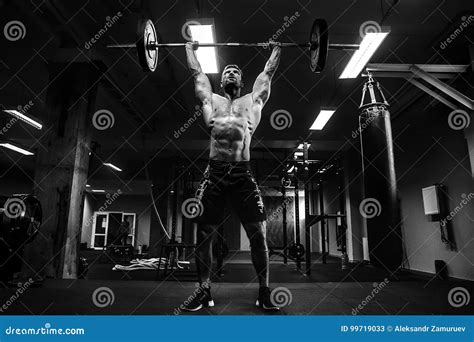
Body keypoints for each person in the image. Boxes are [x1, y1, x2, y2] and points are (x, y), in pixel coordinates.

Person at [182, 41, 281, 311]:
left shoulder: (252, 101)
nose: (231, 73)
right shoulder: (210, 100)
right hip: (213, 173)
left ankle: (264, 291)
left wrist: (276, 48)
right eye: (226, 71)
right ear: (221, 78)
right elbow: (197, 74)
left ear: (242, 78)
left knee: (258, 233)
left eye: (235, 71)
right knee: (204, 233)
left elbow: (268, 74)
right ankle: (204, 291)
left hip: (242, 173)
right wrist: (190, 48)